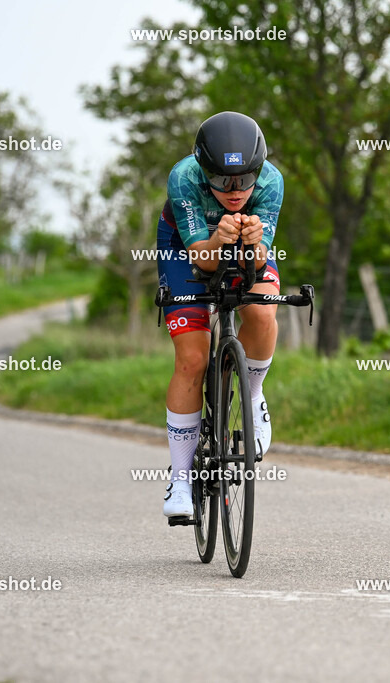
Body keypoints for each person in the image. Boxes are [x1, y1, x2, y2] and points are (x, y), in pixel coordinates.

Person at [156, 111, 283, 518]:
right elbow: (202, 259)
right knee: (192, 357)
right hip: (186, 248)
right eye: (224, 181)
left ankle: (253, 393)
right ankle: (180, 481)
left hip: (244, 246)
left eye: (245, 180)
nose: (235, 190)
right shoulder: (184, 177)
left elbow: (259, 260)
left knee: (262, 312)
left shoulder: (271, 181)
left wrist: (251, 244)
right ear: (203, 168)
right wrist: (216, 240)